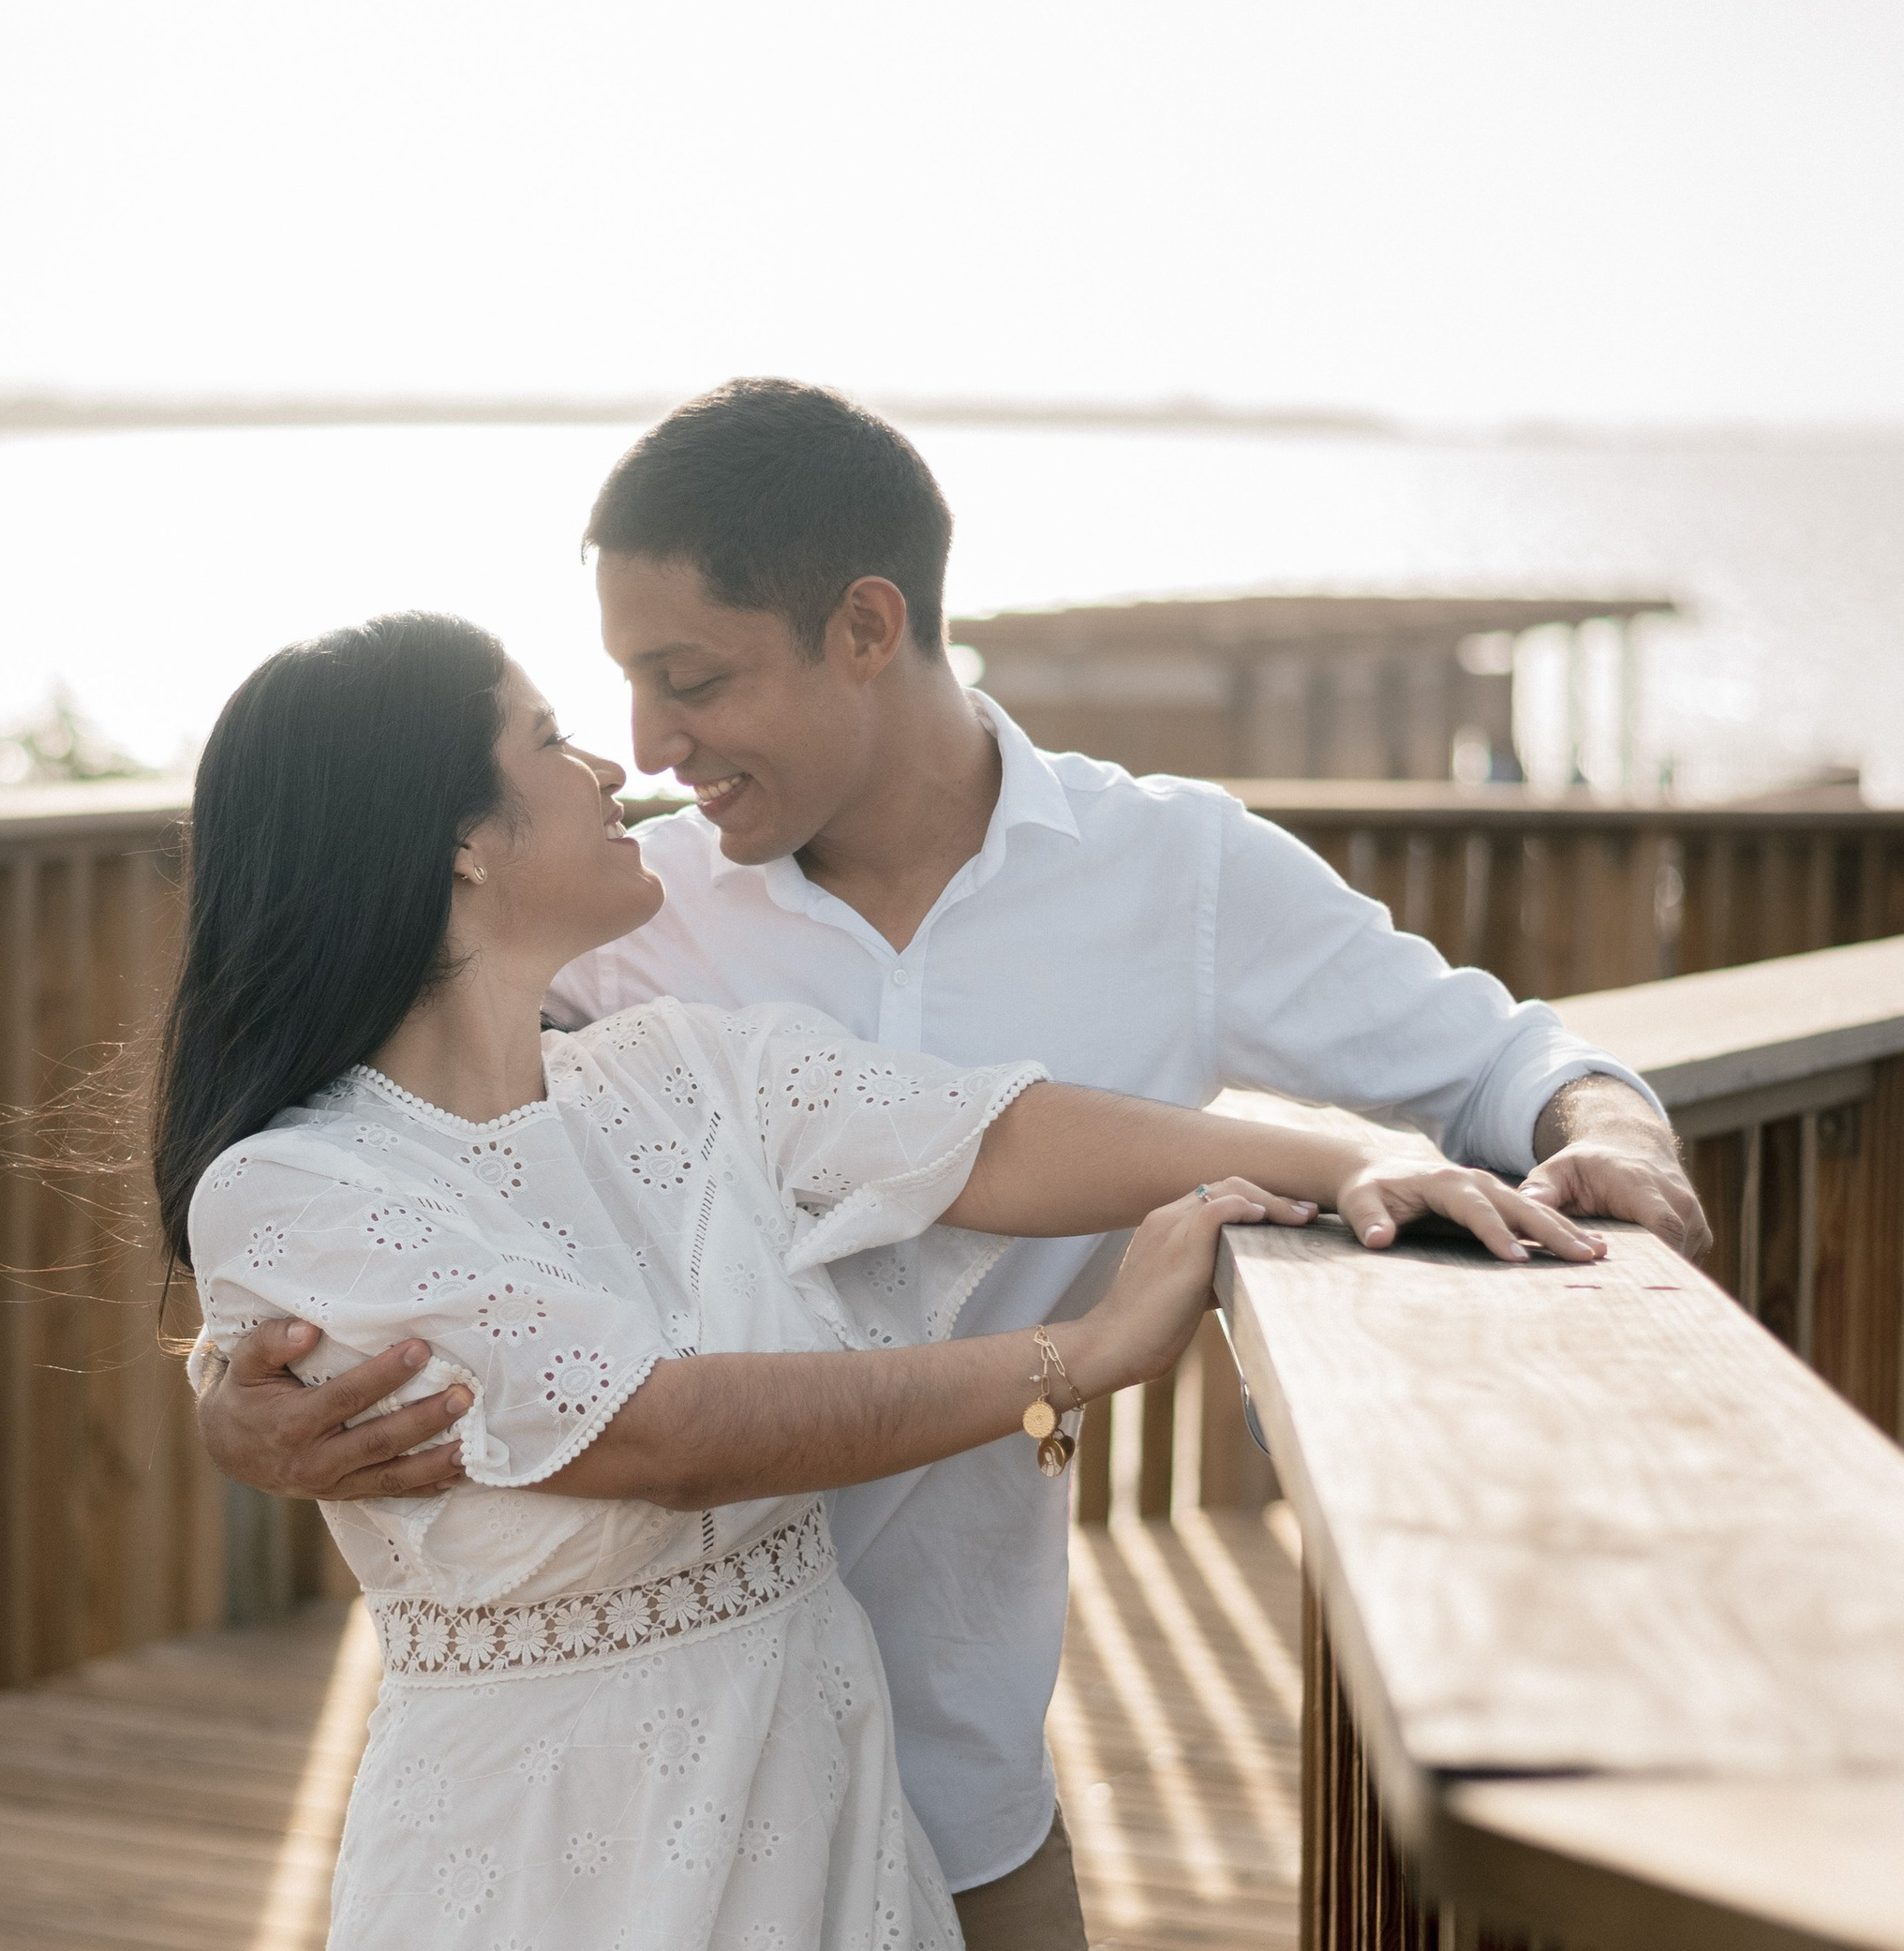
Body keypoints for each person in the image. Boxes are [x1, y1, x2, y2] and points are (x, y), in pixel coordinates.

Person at [198, 381, 1706, 1951]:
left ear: (866, 625)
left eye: (689, 676)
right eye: (612, 697)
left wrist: (1580, 1139)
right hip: (590, 1799)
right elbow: (387, 1165)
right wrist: (246, 1386)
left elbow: (1481, 1061)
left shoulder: (1171, 871)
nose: (646, 748)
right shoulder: (642, 916)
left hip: (959, 1742)